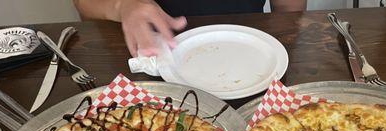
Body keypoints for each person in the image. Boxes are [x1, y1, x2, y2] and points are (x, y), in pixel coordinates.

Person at [73, 0, 306, 57]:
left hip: (254, 55)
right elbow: (85, 4)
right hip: (154, 57)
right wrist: (121, 5)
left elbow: (288, 8)